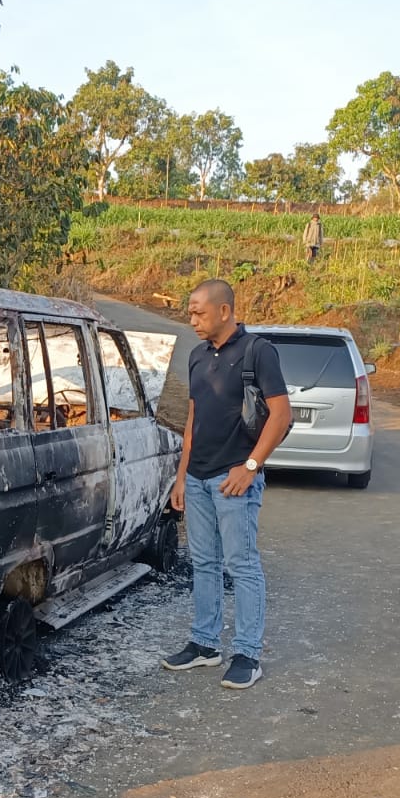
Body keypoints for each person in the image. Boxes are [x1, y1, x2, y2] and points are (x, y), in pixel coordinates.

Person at [162, 279, 292, 689]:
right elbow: (192, 421)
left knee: (242, 565)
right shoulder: (197, 356)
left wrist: (251, 465)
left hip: (233, 479)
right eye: (190, 312)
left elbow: (281, 414)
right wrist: (181, 477)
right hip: (198, 479)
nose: (192, 319)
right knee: (203, 563)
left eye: (199, 311)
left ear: (224, 311)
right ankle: (204, 644)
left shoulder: (258, 352)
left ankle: (247, 653)